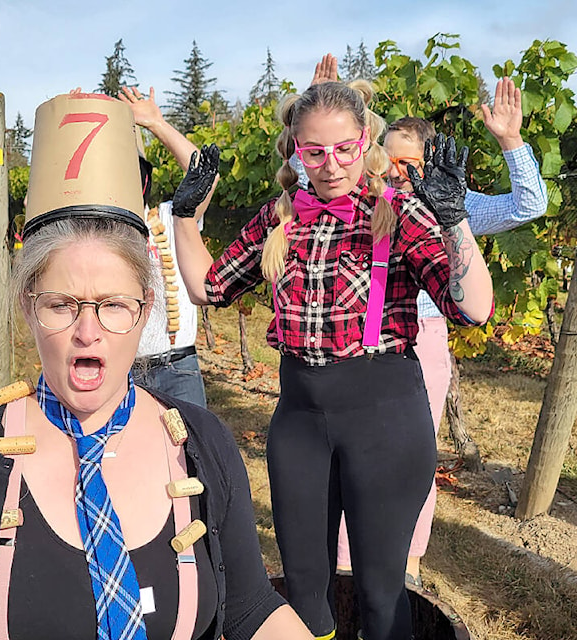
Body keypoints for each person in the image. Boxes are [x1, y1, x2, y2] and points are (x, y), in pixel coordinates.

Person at [0, 92, 312, 640]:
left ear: (144, 308)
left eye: (114, 305)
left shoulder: (203, 447)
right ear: (29, 306)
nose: (87, 331)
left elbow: (250, 609)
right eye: (61, 305)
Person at [173, 81, 493, 640]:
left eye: (344, 148)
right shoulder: (280, 217)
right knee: (304, 587)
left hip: (385, 418)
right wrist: (183, 215)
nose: (331, 165)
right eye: (314, 152)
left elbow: (473, 307)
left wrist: (455, 218)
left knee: (378, 588)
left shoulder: (396, 211)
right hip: (300, 419)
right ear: (295, 148)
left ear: (364, 138)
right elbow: (208, 287)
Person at [331, 77, 549, 585]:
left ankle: (407, 562)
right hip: (359, 338)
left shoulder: (455, 206)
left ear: (431, 163)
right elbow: (303, 178)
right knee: (347, 449)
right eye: (389, 161)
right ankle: (344, 563)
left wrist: (511, 141)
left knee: (414, 454)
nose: (399, 174)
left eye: (410, 164)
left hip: (423, 337)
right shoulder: (366, 199)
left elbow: (529, 206)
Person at [118, 86, 216, 408]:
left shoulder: (171, 217)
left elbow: (206, 175)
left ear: (144, 179)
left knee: (191, 455)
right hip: (122, 372)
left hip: (179, 370)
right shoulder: (97, 233)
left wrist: (156, 124)